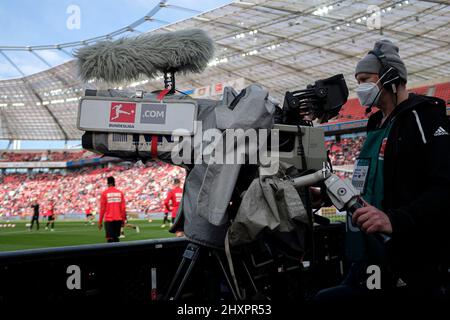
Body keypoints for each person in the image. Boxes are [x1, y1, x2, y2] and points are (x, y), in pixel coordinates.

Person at [316, 39, 450, 300]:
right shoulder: (375, 123)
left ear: (390, 76)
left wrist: (395, 220)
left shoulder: (423, 116)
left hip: (408, 262)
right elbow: (366, 186)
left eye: (366, 78)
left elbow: (444, 188)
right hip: (367, 258)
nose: (360, 88)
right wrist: (327, 195)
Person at [99, 176, 126, 243]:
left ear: (108, 183)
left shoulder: (104, 193)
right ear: (114, 183)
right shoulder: (120, 193)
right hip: (118, 219)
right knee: (116, 238)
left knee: (110, 239)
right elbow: (123, 209)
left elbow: (102, 209)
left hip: (108, 220)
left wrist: (100, 222)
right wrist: (123, 220)